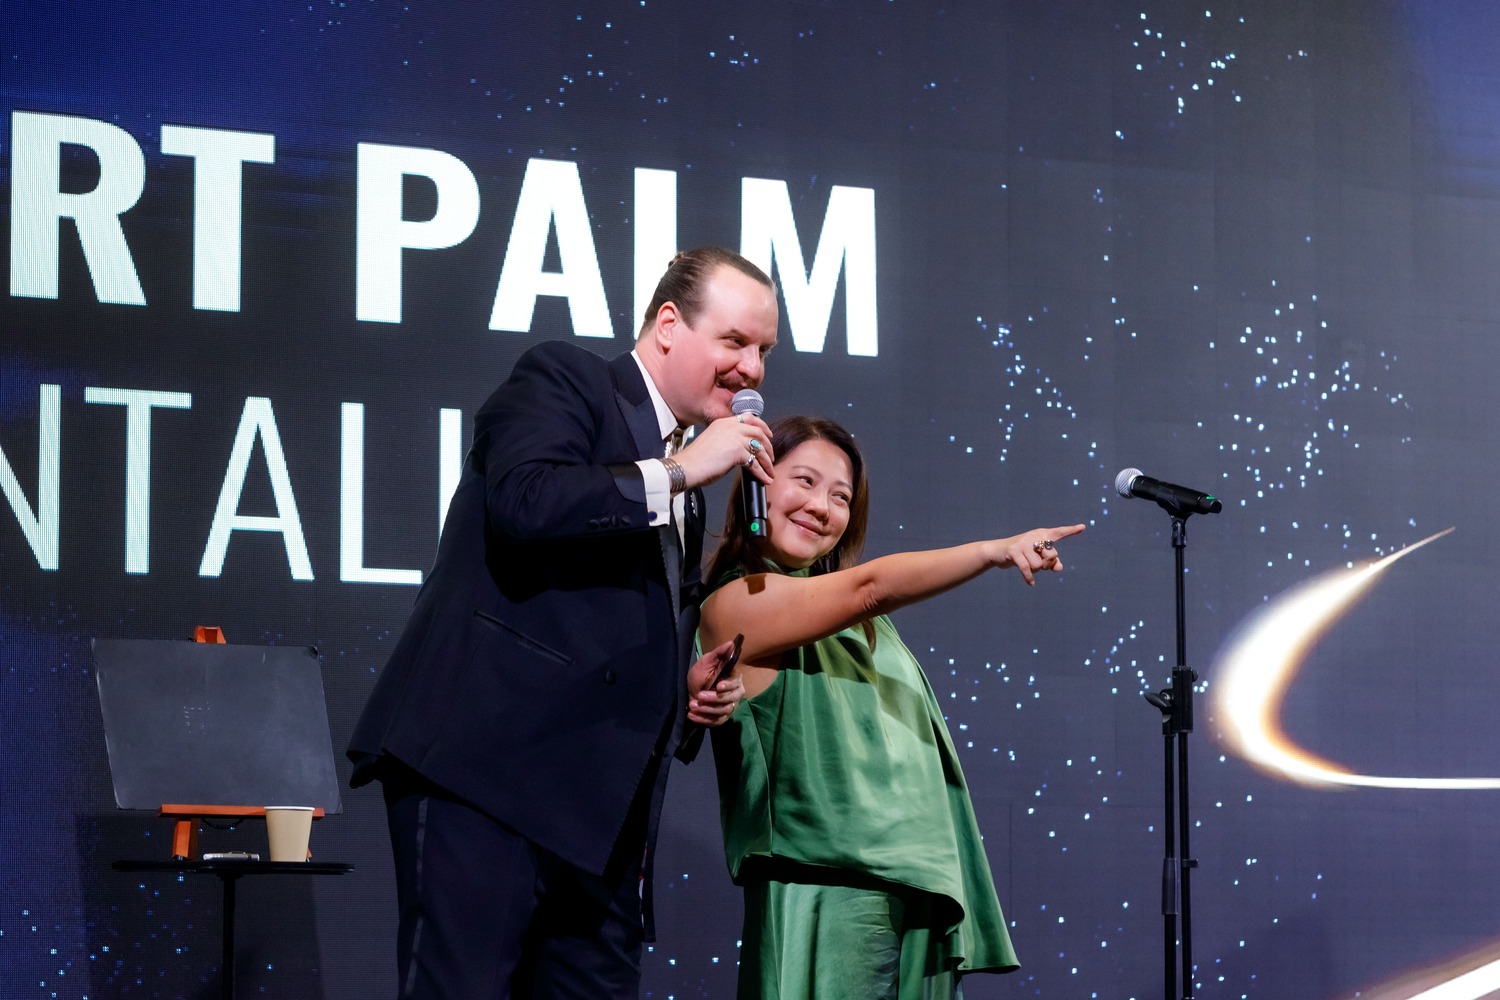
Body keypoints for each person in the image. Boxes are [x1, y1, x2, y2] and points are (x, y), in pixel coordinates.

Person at [346, 247, 781, 999]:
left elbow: (600, 629)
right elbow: (527, 502)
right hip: (485, 773)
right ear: (669, 325)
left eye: (765, 351)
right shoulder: (570, 379)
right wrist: (679, 472)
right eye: (736, 342)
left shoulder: (691, 476)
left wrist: (683, 696)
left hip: (600, 827)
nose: (754, 371)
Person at [699, 415, 1086, 999]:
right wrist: (992, 551)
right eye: (803, 481)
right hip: (827, 885)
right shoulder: (738, 599)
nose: (822, 507)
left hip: (920, 884)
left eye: (841, 496)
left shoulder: (866, 628)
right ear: (757, 480)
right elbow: (870, 586)